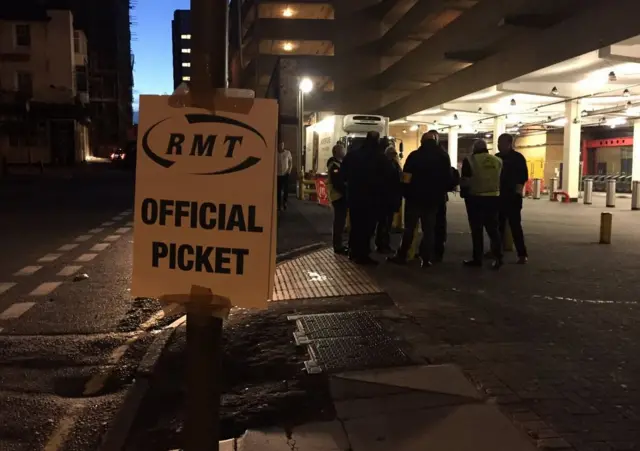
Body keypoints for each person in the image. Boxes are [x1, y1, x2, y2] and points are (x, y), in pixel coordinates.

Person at [388, 132, 452, 268]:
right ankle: (426, 259)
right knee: (429, 230)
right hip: (433, 200)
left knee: (410, 228)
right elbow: (448, 178)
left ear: (422, 142)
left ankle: (402, 255)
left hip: (414, 198)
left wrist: (405, 192)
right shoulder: (443, 156)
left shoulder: (415, 156)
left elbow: (406, 177)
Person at [341, 131, 386, 265]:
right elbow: (387, 177)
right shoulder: (379, 157)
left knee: (356, 225)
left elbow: (343, 175)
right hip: (372, 198)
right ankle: (363, 254)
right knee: (367, 228)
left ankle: (353, 251)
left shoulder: (353, 155)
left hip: (355, 197)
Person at [460, 139, 503, 269]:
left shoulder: (470, 160)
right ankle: (498, 258)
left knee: (477, 230)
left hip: (476, 199)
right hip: (493, 198)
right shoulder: (498, 161)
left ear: (474, 148)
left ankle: (477, 259)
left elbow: (465, 181)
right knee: (493, 230)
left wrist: (463, 193)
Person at [496, 133, 529, 264]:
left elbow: (523, 177)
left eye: (501, 143)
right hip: (498, 196)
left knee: (515, 226)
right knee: (498, 226)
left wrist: (517, 192)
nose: (498, 145)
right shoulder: (496, 158)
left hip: (513, 197)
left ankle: (522, 253)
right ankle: (496, 251)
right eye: (498, 143)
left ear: (509, 144)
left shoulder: (518, 158)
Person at [375, 139, 402, 253]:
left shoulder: (393, 164)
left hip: (390, 197)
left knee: (386, 222)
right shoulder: (388, 165)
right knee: (384, 222)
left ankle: (383, 243)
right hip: (387, 197)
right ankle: (382, 244)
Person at [327, 144, 348, 255]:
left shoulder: (339, 164)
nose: (345, 151)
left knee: (340, 221)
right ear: (337, 152)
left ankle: (339, 244)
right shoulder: (335, 166)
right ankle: (338, 246)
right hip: (338, 197)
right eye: (343, 150)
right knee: (339, 222)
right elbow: (338, 184)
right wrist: (347, 193)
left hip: (339, 197)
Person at [276, 142, 293, 211]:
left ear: (283, 145)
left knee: (286, 189)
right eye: (280, 145)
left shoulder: (287, 153)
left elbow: (291, 162)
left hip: (285, 173)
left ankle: (285, 203)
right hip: (278, 174)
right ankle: (279, 205)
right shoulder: (276, 153)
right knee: (278, 190)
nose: (281, 146)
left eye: (282, 145)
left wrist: (289, 171)